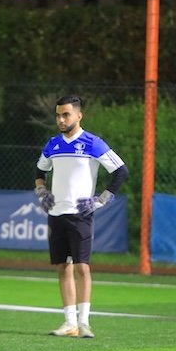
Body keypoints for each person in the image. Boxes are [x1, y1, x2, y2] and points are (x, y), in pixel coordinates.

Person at [34, 94, 129, 338]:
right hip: (56, 213)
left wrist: (101, 200)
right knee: (62, 267)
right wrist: (42, 191)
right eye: (58, 115)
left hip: (80, 215)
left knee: (82, 267)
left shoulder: (93, 143)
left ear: (79, 115)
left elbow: (120, 171)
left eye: (66, 115)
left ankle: (84, 322)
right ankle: (70, 323)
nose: (61, 120)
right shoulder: (53, 144)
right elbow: (40, 170)